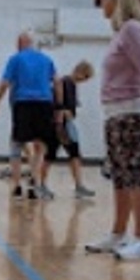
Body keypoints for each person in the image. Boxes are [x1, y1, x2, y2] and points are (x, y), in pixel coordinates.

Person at [84, 0, 140, 261]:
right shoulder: (119, 34)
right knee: (120, 177)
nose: (102, 3)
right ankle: (118, 234)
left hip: (130, 113)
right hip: (114, 114)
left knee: (135, 177)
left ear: (119, 0)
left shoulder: (132, 29)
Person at [0, 32, 57, 200]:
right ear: (31, 43)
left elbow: (4, 84)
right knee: (40, 145)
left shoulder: (15, 59)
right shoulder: (46, 60)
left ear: (19, 44)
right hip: (44, 104)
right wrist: (58, 107)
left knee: (16, 144)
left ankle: (17, 185)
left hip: (23, 104)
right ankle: (34, 183)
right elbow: (58, 82)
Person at [43, 60, 96, 199]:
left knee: (74, 155)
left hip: (66, 125)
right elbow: (55, 103)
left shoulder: (71, 84)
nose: (84, 80)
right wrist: (64, 112)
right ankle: (40, 184)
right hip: (59, 126)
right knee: (50, 156)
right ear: (80, 72)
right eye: (85, 77)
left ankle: (79, 186)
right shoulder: (64, 82)